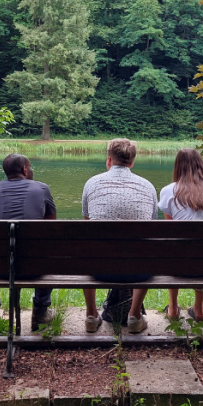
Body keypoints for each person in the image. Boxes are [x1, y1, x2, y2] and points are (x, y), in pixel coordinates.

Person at [81, 139, 159, 334]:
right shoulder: (148, 187)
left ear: (109, 160)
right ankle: (134, 316)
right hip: (139, 270)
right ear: (132, 162)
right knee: (146, 250)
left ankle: (91, 315)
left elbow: (87, 221)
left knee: (86, 248)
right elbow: (152, 225)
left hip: (98, 269)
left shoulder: (92, 183)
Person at [0, 153, 58, 331]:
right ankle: (40, 312)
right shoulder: (42, 189)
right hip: (35, 269)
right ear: (25, 170)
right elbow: (52, 229)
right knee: (49, 249)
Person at [158, 148, 203, 322]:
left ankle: (173, 308)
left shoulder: (169, 190)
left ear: (177, 166)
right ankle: (199, 309)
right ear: (201, 166)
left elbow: (170, 228)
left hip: (178, 263)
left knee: (175, 245)